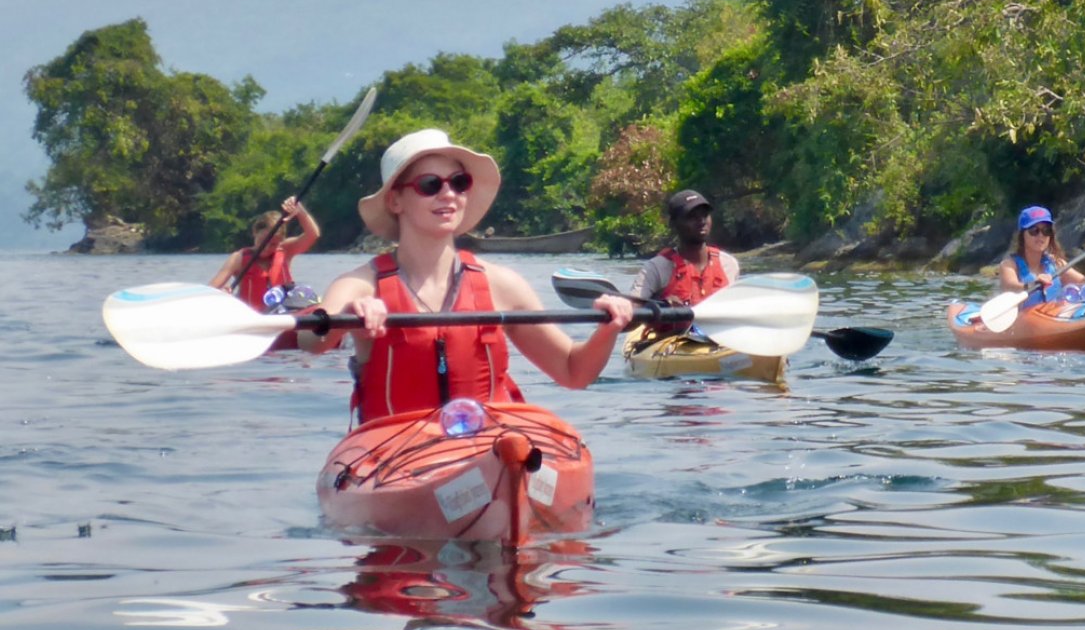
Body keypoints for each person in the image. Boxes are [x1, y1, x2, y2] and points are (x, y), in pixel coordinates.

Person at [304, 129, 631, 422]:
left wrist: (608, 329)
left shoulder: (502, 284)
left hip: (487, 450)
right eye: (429, 185)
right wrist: (346, 317)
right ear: (395, 200)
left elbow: (573, 372)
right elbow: (311, 340)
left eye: (459, 183)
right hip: (394, 457)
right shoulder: (360, 285)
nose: (448, 194)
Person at [628, 189, 740, 307]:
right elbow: (631, 311)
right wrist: (661, 306)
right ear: (673, 224)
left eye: (705, 215)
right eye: (692, 216)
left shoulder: (729, 265)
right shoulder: (656, 269)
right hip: (675, 325)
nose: (701, 221)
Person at [210, 197, 320, 310]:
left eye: (273, 244)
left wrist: (299, 210)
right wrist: (221, 295)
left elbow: (313, 235)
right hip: (254, 317)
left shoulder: (286, 250)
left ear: (280, 241)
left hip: (285, 315)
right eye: (263, 241)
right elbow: (210, 289)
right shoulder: (238, 259)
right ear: (255, 232)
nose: (266, 248)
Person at [998, 205, 1085, 307]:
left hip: (1055, 316)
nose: (1041, 235)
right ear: (1022, 235)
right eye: (1034, 230)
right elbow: (1010, 288)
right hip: (1026, 319)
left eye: (1046, 231)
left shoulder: (1056, 263)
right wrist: (1033, 284)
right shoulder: (1009, 265)